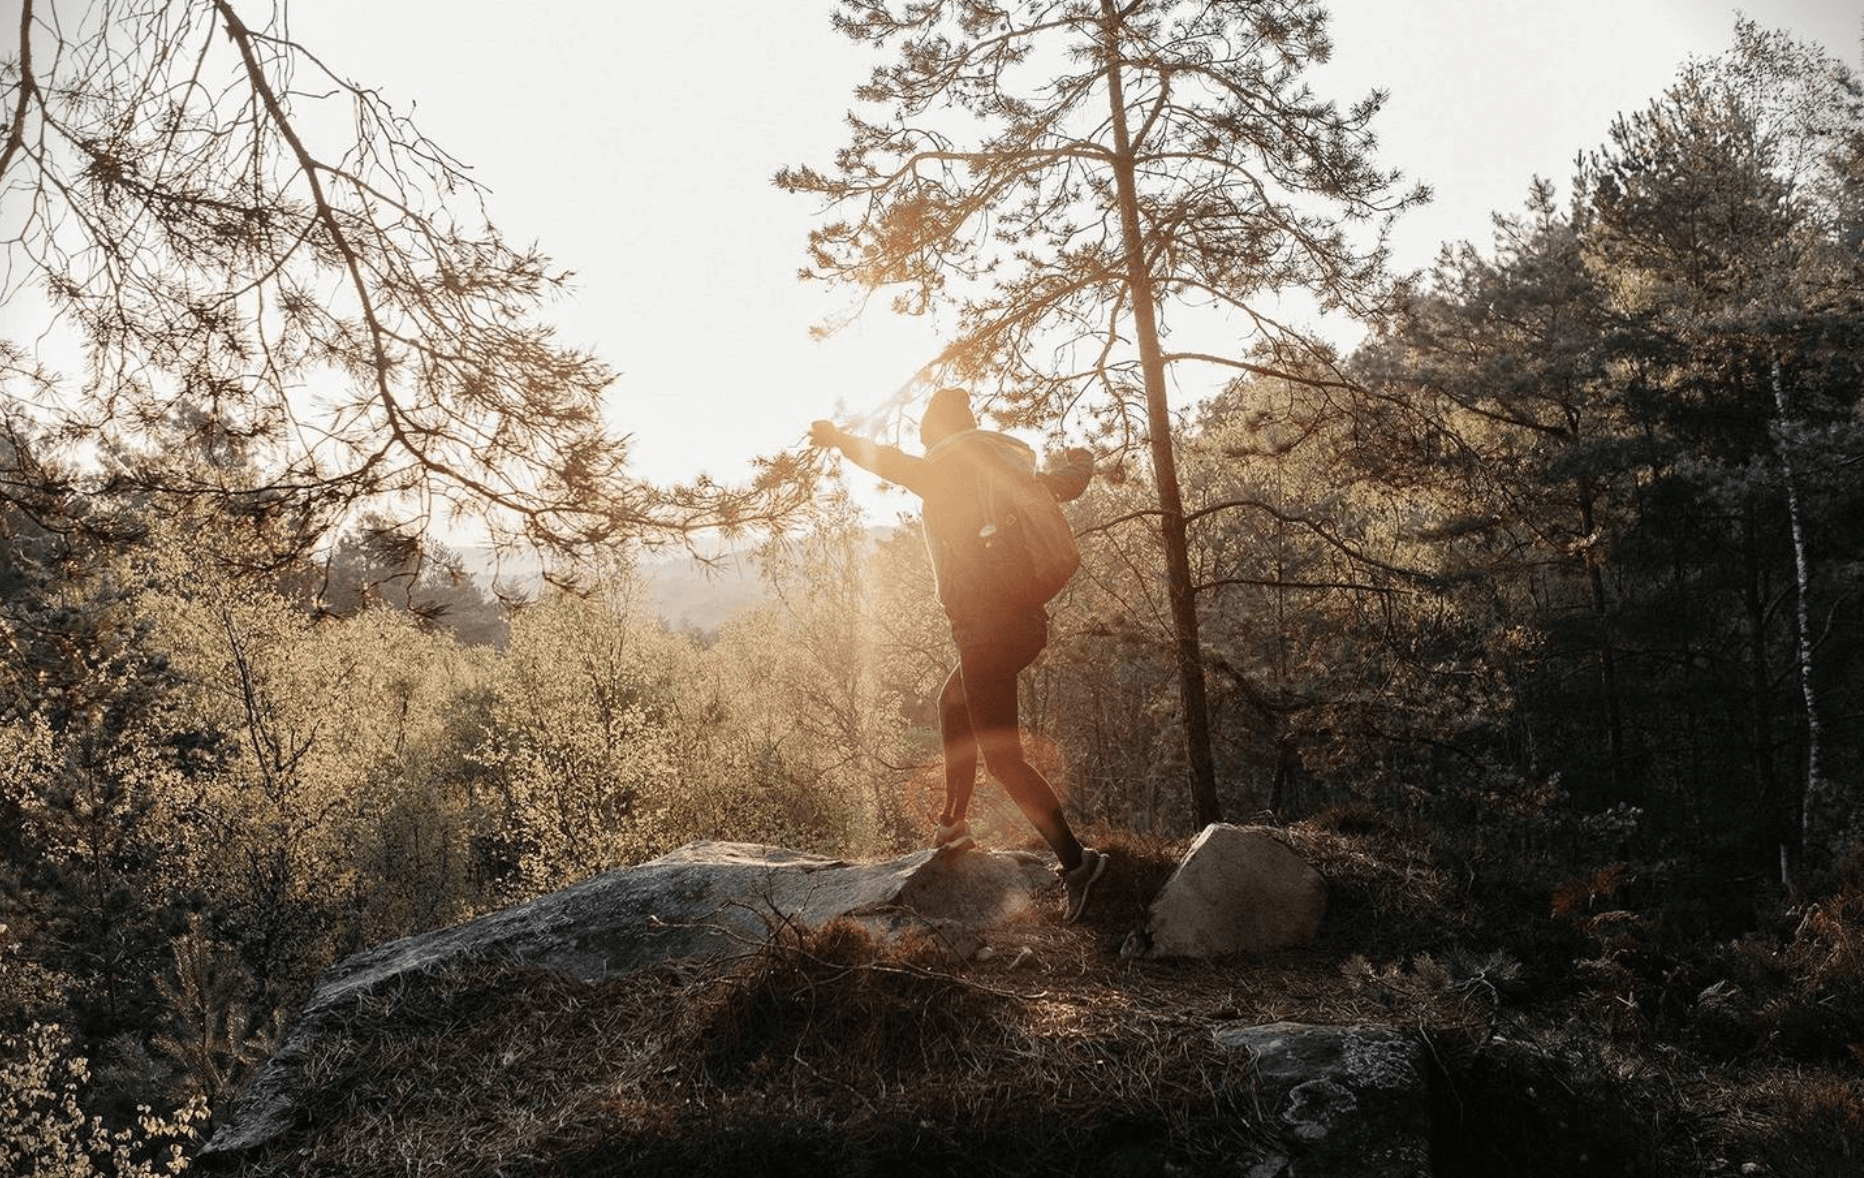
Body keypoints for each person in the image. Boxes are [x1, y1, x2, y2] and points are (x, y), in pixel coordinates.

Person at [810, 387, 1108, 922]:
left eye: (926, 436)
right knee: (953, 702)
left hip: (987, 632)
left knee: (1004, 760)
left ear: (936, 435)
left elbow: (885, 461)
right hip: (1022, 624)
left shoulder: (943, 470)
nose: (924, 447)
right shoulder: (1004, 472)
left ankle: (1079, 864)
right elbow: (1069, 483)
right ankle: (953, 825)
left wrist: (836, 439)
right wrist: (1084, 458)